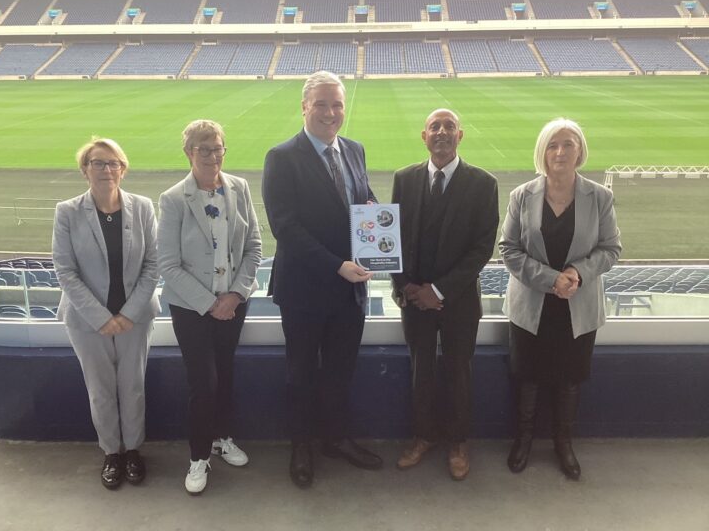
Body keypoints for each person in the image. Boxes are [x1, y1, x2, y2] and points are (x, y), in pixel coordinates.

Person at [262, 70, 382, 489]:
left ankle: (336, 440)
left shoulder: (354, 149)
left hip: (351, 288)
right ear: (304, 107)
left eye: (337, 104)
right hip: (306, 290)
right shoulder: (282, 157)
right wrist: (337, 264)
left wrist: (378, 221)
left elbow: (361, 200)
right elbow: (286, 228)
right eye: (322, 104)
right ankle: (302, 447)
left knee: (339, 371)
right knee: (301, 375)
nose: (331, 113)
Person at [499, 118, 621, 480]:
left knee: (570, 378)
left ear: (580, 150)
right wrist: (553, 280)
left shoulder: (600, 197)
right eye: (553, 145)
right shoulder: (522, 195)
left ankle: (563, 444)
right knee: (528, 377)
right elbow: (509, 250)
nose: (560, 152)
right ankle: (522, 441)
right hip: (531, 306)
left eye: (568, 144)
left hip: (578, 306)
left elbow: (611, 249)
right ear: (542, 152)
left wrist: (577, 274)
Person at [391, 108, 499, 480]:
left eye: (448, 126)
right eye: (434, 127)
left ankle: (457, 442)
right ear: (424, 136)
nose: (441, 132)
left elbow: (482, 248)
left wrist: (438, 290)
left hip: (459, 301)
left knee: (458, 372)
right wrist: (407, 287)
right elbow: (395, 242)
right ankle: (422, 437)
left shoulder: (483, 184)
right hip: (414, 300)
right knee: (420, 371)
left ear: (460, 135)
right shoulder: (403, 180)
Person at [158, 120, 261, 495]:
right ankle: (198, 457)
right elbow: (167, 264)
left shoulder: (240, 188)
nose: (212, 155)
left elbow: (253, 247)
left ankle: (223, 437)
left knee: (226, 374)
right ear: (188, 152)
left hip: (232, 303)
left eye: (218, 148)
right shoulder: (172, 199)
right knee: (204, 384)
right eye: (203, 149)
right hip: (191, 308)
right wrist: (210, 303)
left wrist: (234, 295)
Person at [52, 138, 159, 490]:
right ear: (85, 169)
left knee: (133, 387)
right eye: (98, 163)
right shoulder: (67, 211)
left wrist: (128, 313)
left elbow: (152, 265)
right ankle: (111, 453)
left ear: (123, 169)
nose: (106, 170)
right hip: (86, 322)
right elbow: (65, 271)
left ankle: (133, 452)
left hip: (135, 318)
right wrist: (102, 317)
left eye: (113, 163)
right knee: (100, 389)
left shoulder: (143, 208)